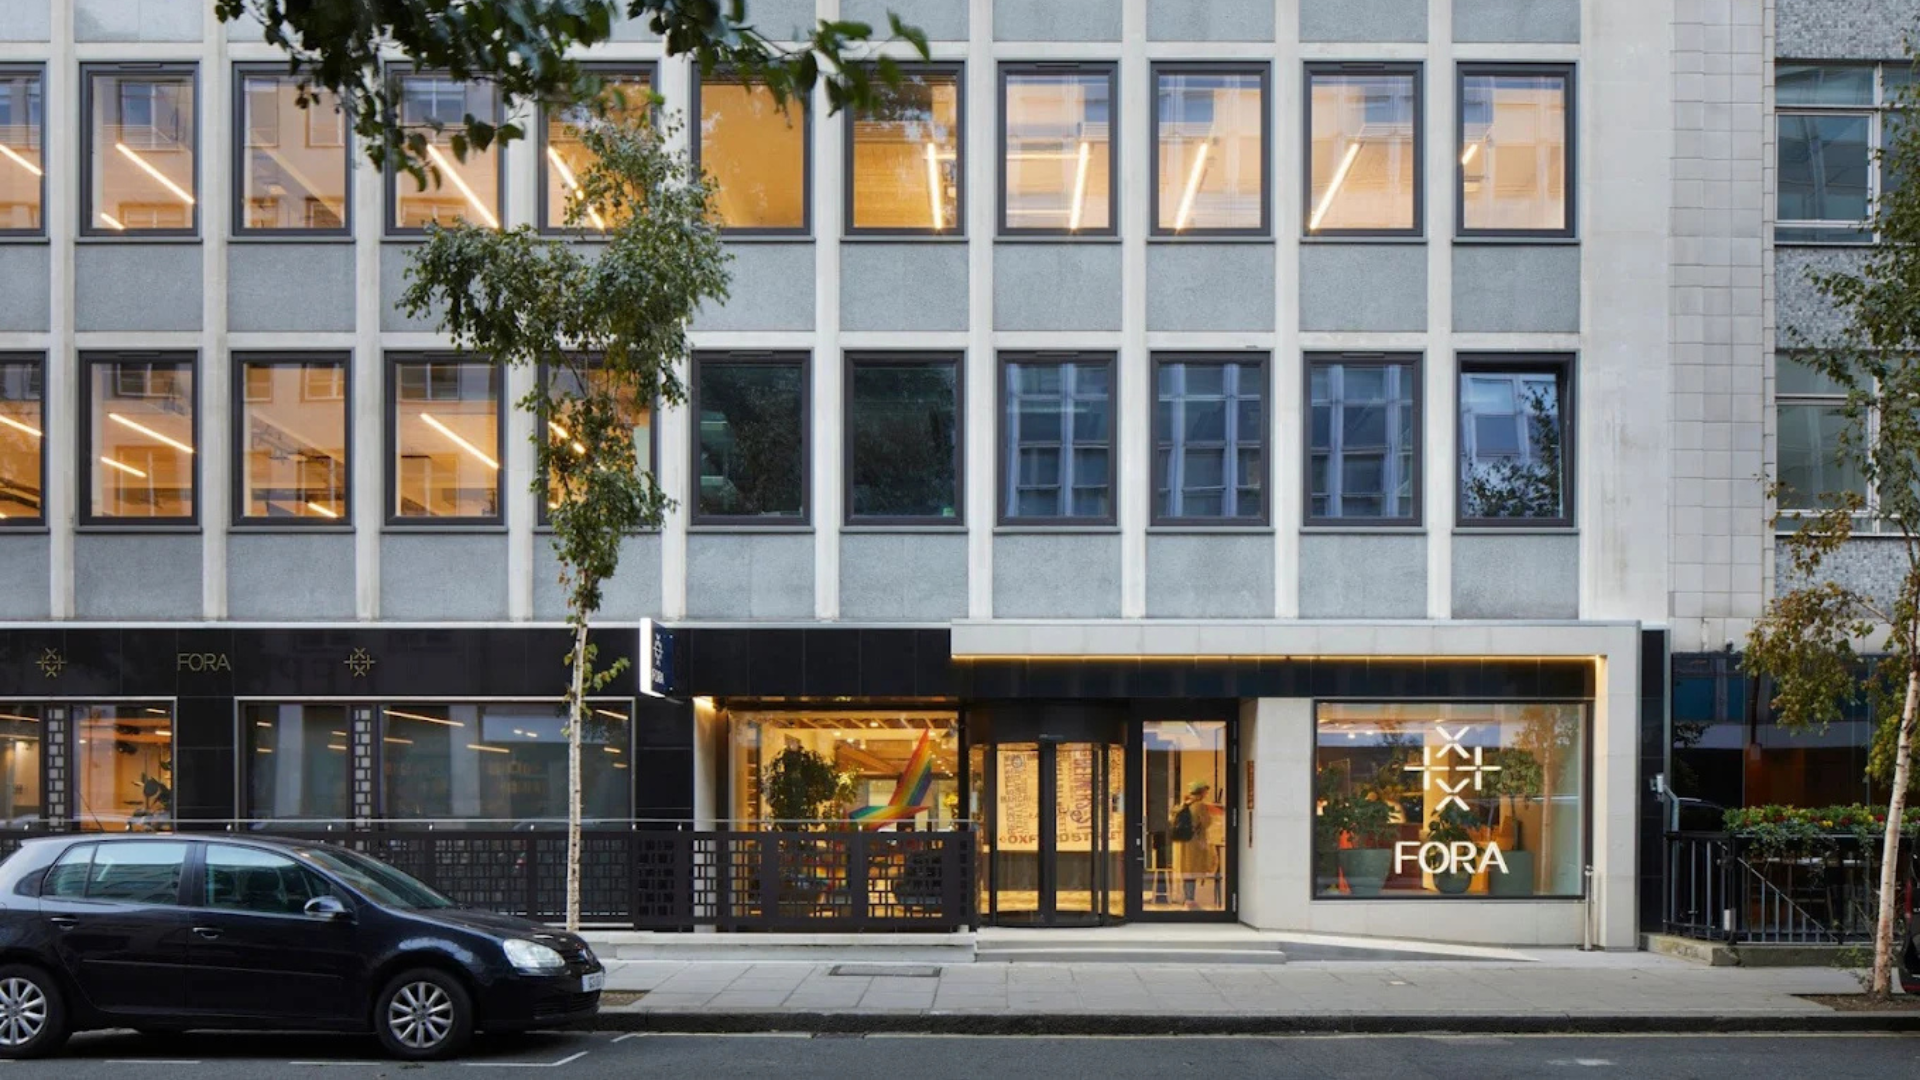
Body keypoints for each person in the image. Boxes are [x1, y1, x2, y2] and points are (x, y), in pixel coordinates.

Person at [1171, 780, 1219, 909]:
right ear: (1202, 792)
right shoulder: (1199, 805)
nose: (1206, 793)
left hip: (1183, 842)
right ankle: (1190, 900)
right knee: (1194, 870)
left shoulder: (1183, 804)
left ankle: (1188, 899)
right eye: (1205, 791)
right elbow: (1206, 822)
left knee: (1186, 871)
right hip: (1195, 842)